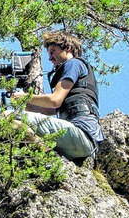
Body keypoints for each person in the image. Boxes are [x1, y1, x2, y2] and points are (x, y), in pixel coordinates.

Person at [10, 30, 104, 161]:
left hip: (81, 134)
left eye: (53, 51)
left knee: (9, 117)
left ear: (68, 48)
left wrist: (24, 96)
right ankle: (51, 156)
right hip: (84, 143)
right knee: (15, 119)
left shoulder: (73, 64)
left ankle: (48, 157)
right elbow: (52, 109)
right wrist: (24, 105)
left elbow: (55, 101)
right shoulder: (79, 72)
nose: (50, 58)